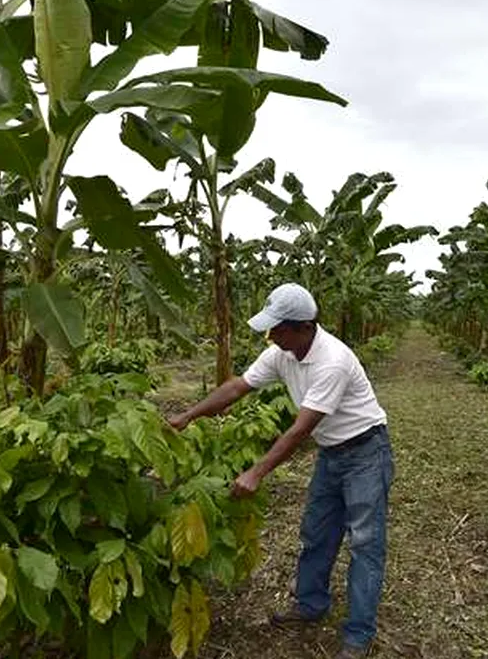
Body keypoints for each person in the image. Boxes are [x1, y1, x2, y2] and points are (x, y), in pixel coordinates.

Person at [168, 282, 394, 659]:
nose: (270, 335)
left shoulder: (332, 360)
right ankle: (310, 604)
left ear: (304, 327)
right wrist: (188, 416)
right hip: (331, 452)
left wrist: (256, 472)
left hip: (366, 451)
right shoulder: (281, 353)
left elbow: (299, 429)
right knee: (316, 532)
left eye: (278, 328)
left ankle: (358, 635)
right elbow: (238, 386)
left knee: (365, 544)